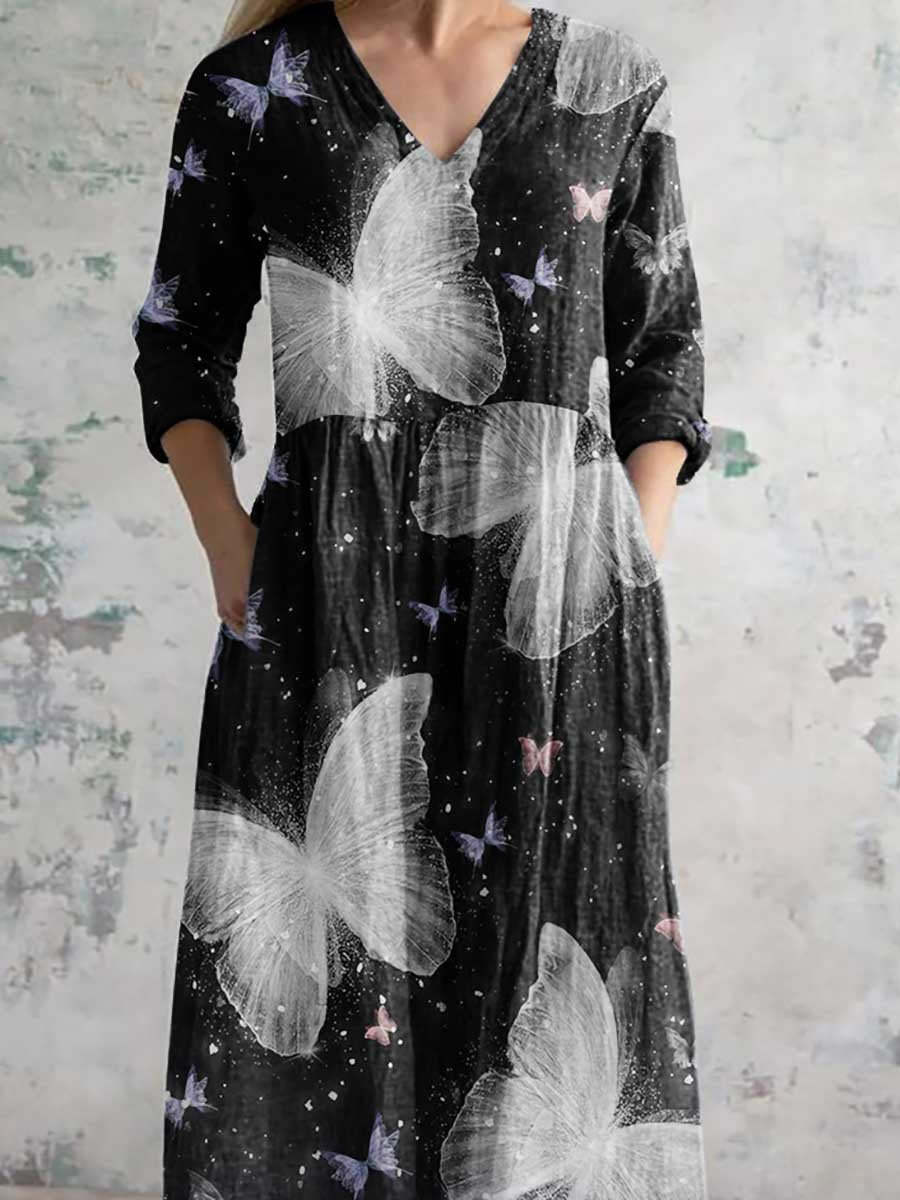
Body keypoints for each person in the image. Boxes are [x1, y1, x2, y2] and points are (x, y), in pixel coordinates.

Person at [131, 0, 713, 1196]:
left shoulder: (609, 82)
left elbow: (663, 351)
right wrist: (226, 541)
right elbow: (182, 334)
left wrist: (631, 547)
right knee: (336, 953)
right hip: (327, 590)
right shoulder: (256, 83)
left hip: (557, 599)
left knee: (544, 949)